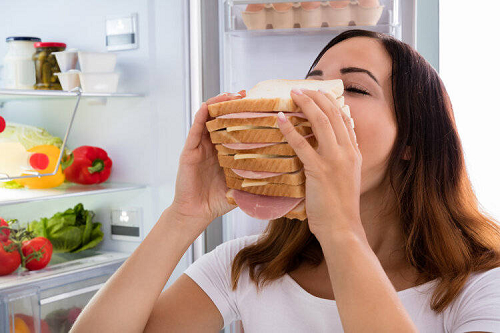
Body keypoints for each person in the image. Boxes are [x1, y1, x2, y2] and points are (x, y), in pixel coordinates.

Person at [70, 29, 500, 333]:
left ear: (411, 139)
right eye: (311, 82)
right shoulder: (248, 266)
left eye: (353, 88)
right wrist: (184, 214)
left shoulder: (483, 282)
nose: (315, 100)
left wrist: (340, 230)